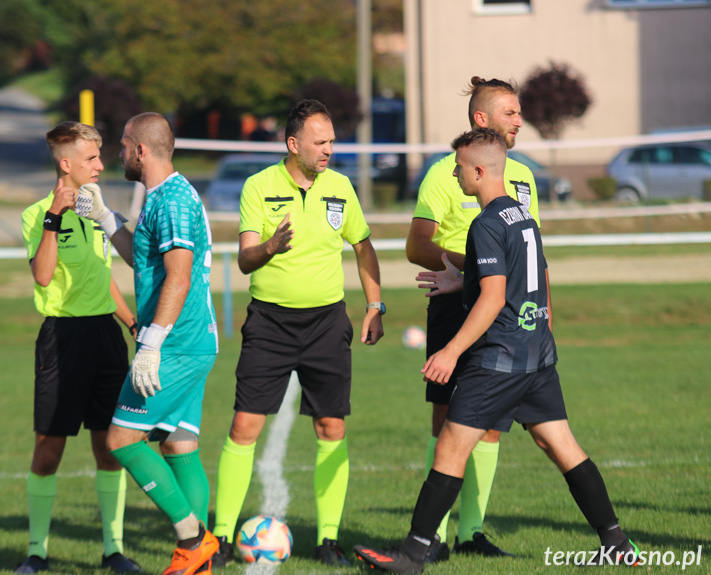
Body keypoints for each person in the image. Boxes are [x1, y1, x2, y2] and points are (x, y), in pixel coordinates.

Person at [355, 129, 638, 574]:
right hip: (536, 352)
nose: (454, 172)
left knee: (450, 445)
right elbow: (526, 275)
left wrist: (450, 351)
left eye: (460, 167)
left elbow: (492, 298)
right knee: (561, 444)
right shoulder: (522, 215)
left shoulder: (485, 223)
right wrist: (461, 280)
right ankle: (616, 541)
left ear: (480, 171)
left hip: (498, 358)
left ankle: (411, 555)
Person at [211, 99, 385, 568]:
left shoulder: (341, 187)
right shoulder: (258, 186)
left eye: (332, 140)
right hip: (269, 323)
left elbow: (363, 248)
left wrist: (375, 306)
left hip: (327, 324)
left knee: (331, 427)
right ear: (293, 144)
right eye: (321, 142)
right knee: (244, 426)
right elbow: (246, 259)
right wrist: (269, 246)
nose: (330, 149)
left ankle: (328, 540)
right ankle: (223, 537)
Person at [404, 76, 542, 561]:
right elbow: (416, 245)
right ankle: (433, 537)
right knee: (446, 420)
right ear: (481, 119)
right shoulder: (446, 172)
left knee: (490, 426)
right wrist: (475, 266)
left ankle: (472, 533)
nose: (519, 121)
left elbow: (531, 256)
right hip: (453, 307)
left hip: (505, 315)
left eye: (519, 112)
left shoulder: (521, 177)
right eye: (510, 112)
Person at [79, 112, 220, 575]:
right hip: (189, 341)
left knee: (121, 439)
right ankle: (197, 559)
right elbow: (147, 264)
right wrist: (105, 217)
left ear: (141, 151)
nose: (117, 154)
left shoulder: (175, 200)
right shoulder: (162, 197)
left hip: (176, 343)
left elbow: (178, 277)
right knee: (179, 445)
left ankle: (193, 541)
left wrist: (152, 342)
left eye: (121, 145)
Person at [16, 121, 140, 574]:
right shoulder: (36, 215)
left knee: (110, 447)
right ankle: (36, 552)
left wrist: (130, 321)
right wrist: (54, 216)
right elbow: (43, 275)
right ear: (66, 164)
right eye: (92, 158)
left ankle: (113, 550)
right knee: (48, 449)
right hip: (61, 340)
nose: (101, 165)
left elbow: (100, 274)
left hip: (105, 337)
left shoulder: (96, 209)